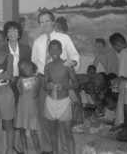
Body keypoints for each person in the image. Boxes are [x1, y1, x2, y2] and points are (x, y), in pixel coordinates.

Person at [32, 10, 80, 154]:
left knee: (63, 120)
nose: (45, 24)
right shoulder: (37, 41)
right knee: (46, 118)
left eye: (47, 21)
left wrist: (71, 62)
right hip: (43, 80)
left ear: (53, 22)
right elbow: (34, 63)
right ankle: (49, 149)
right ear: (39, 24)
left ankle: (65, 149)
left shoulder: (64, 38)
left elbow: (75, 55)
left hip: (62, 81)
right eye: (42, 22)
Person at [1, 21, 32, 154]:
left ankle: (17, 144)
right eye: (9, 30)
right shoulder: (2, 49)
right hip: (6, 84)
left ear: (19, 33)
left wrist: (27, 84)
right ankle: (6, 146)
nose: (12, 33)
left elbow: (30, 69)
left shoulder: (26, 49)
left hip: (21, 84)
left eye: (15, 30)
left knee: (20, 114)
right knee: (6, 115)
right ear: (6, 34)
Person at [44, 40, 78, 154]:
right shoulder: (47, 66)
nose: (54, 52)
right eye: (51, 49)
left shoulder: (67, 65)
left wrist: (64, 86)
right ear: (48, 51)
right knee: (53, 131)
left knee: (68, 132)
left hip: (64, 102)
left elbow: (76, 84)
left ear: (61, 51)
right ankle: (55, 152)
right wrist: (48, 86)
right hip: (50, 101)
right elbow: (44, 85)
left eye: (57, 49)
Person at [14, 58, 41, 154]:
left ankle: (38, 151)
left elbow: (36, 95)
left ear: (31, 66)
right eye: (22, 68)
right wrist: (18, 85)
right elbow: (21, 93)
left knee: (33, 132)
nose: (24, 69)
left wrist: (35, 84)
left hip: (32, 108)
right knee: (22, 130)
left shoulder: (37, 78)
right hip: (21, 107)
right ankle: (25, 151)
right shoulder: (21, 79)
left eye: (26, 66)